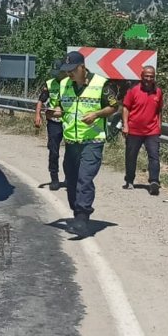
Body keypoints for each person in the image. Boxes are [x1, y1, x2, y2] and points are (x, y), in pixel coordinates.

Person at [55, 50, 121, 236]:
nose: (69, 73)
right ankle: (77, 214)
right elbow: (63, 106)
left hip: (92, 140)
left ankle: (83, 217)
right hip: (71, 141)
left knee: (85, 178)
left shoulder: (100, 84)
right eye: (66, 70)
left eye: (72, 70)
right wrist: (56, 111)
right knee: (72, 179)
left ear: (82, 67)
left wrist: (97, 114)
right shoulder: (64, 84)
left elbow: (114, 106)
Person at [122, 65, 164, 195]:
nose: (149, 78)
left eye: (151, 76)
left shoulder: (158, 92)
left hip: (152, 131)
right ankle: (129, 180)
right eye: (146, 75)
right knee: (131, 156)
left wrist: (159, 125)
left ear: (154, 77)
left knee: (154, 157)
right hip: (134, 130)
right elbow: (125, 108)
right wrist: (125, 125)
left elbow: (159, 110)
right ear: (141, 76)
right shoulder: (133, 91)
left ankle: (154, 182)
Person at [34, 66, 69, 190]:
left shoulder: (72, 83)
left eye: (59, 73)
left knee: (70, 152)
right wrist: (37, 115)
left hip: (68, 122)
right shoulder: (50, 84)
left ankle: (69, 178)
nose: (57, 75)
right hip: (54, 122)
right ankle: (54, 178)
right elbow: (41, 100)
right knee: (54, 151)